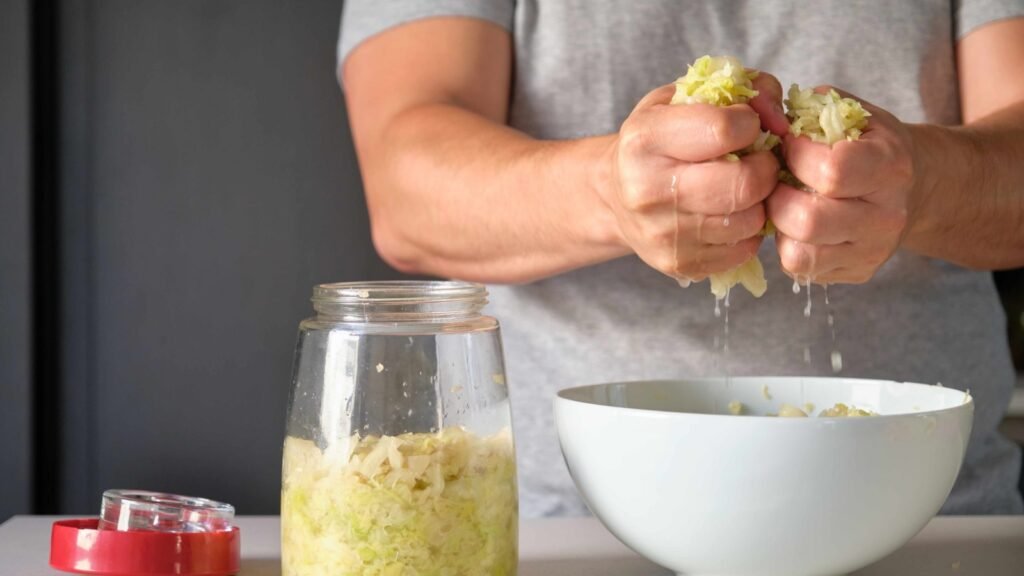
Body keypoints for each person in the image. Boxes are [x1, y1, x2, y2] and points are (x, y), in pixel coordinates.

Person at [337, 0, 1024, 517]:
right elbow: (405, 183)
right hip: (566, 519)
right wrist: (610, 190)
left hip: (933, 514)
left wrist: (922, 181)